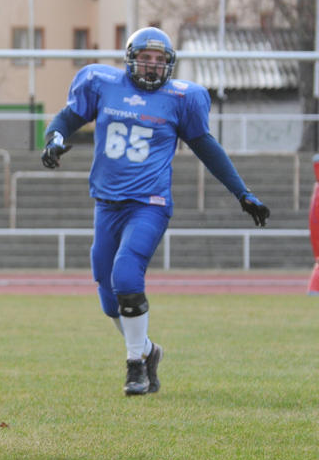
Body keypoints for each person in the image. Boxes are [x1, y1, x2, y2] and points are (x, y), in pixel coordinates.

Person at [41, 26, 270, 396]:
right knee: (108, 296)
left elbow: (207, 148)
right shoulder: (102, 84)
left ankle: (135, 366)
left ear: (169, 63)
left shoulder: (181, 98)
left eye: (159, 59)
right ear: (131, 60)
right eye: (145, 58)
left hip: (150, 204)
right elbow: (67, 119)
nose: (152, 65)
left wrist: (242, 193)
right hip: (107, 204)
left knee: (126, 275)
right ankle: (148, 350)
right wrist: (54, 140)